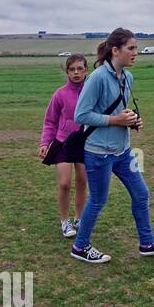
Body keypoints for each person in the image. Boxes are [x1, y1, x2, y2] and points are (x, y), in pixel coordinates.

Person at [69, 28, 154, 263]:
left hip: (123, 151)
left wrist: (131, 120)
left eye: (136, 48)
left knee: (141, 194)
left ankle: (147, 242)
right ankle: (80, 246)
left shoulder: (127, 77)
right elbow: (81, 115)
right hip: (99, 153)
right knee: (98, 200)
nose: (135, 53)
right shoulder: (98, 77)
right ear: (115, 50)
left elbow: (116, 111)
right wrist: (115, 120)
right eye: (131, 48)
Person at [40, 53, 91, 237]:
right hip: (62, 143)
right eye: (72, 69)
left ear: (86, 70)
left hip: (85, 142)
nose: (76, 73)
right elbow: (50, 121)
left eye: (80, 68)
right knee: (64, 184)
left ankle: (79, 217)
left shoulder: (91, 91)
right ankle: (65, 221)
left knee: (82, 181)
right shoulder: (60, 93)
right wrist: (45, 142)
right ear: (67, 71)